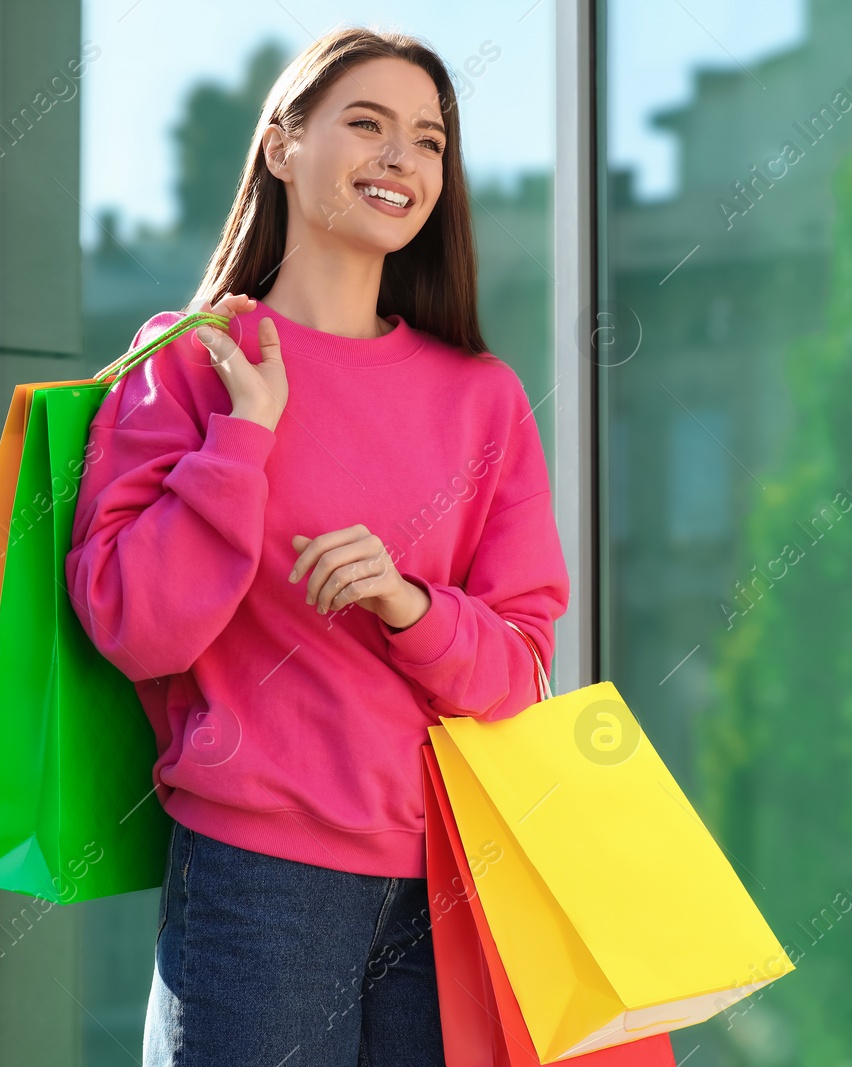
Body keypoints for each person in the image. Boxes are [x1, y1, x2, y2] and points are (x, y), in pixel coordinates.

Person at [63, 24, 569, 1067]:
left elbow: (517, 673)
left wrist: (408, 604)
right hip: (260, 876)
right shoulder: (190, 360)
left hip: (453, 883)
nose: (401, 160)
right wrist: (240, 442)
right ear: (283, 146)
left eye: (427, 140)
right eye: (367, 124)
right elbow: (135, 626)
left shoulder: (485, 398)